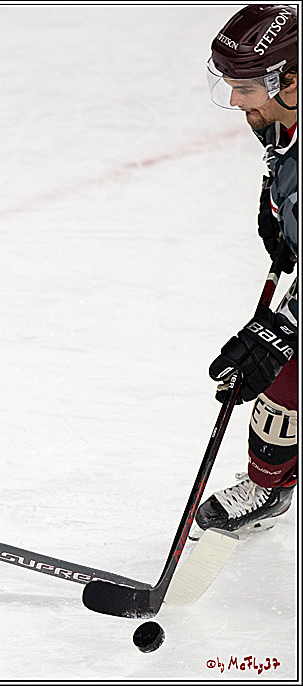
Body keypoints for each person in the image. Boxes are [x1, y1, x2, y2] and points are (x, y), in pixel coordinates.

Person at [197, 5, 298, 533]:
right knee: (282, 372)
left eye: (246, 88)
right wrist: (281, 212)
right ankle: (270, 485)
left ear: (291, 82)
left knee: (283, 370)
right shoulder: (285, 123)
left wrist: (282, 330)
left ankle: (269, 486)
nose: (235, 101)